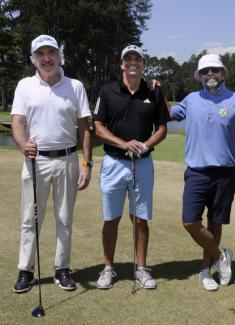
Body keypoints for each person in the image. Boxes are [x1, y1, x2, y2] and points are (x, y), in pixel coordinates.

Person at [11, 34, 93, 293]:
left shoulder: (75, 86)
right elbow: (17, 123)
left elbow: (85, 128)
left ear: (59, 56)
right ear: (33, 59)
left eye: (51, 53)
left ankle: (62, 268)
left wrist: (87, 162)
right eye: (41, 54)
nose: (47, 58)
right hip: (36, 161)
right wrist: (24, 145)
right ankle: (26, 270)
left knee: (64, 218)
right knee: (30, 219)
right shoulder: (25, 85)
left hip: (68, 159)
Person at [169, 54, 235, 291]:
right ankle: (221, 256)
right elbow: (167, 114)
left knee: (215, 222)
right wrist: (153, 92)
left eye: (215, 71)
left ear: (223, 73)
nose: (210, 75)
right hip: (197, 171)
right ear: (200, 76)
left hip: (225, 173)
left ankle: (206, 271)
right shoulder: (190, 99)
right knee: (190, 221)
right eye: (205, 71)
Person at [93, 45, 169, 290]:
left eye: (138, 59)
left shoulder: (154, 92)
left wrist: (145, 145)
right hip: (114, 163)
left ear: (144, 65)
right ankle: (108, 269)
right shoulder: (108, 91)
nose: (133, 63)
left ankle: (141, 269)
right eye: (128, 59)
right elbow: (98, 127)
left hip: (143, 163)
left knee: (141, 218)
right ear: (121, 64)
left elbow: (162, 128)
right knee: (110, 218)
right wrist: (123, 143)